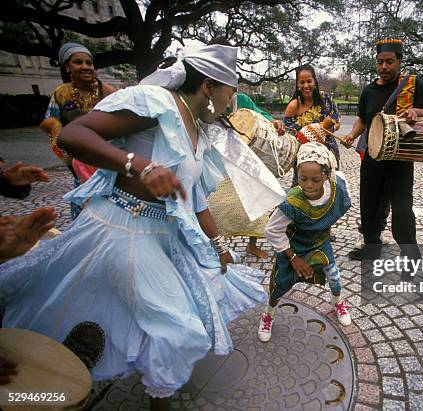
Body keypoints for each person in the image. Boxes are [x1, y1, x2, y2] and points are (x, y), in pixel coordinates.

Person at [0, 44, 284, 411]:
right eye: (232, 89)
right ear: (210, 86)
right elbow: (74, 136)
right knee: (173, 332)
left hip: (164, 237)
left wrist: (219, 246)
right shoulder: (157, 102)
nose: (234, 98)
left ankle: (153, 398)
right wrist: (140, 165)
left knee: (161, 327)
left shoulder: (200, 131)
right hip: (119, 228)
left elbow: (194, 199)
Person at [341, 39, 423, 260]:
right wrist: (351, 135)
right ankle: (371, 247)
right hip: (373, 157)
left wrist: (415, 112)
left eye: (389, 62)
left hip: (401, 158)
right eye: (380, 62)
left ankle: (410, 252)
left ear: (399, 61)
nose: (384, 67)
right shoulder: (369, 90)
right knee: (369, 203)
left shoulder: (412, 85)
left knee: (403, 207)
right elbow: (363, 120)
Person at [258, 142, 352, 342]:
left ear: (326, 175)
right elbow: (272, 230)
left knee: (334, 276)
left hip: (320, 241)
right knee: (280, 284)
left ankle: (338, 301)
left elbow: (341, 200)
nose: (309, 185)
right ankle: (268, 314)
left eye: (315, 179)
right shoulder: (292, 202)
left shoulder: (338, 187)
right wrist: (293, 257)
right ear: (297, 175)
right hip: (293, 245)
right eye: (303, 179)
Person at [41, 42, 116, 218]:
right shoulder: (62, 92)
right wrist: (69, 158)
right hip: (79, 160)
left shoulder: (106, 90)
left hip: (109, 157)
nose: (85, 67)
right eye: (78, 62)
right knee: (85, 210)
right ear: (67, 67)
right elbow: (50, 125)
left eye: (89, 63)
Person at [207, 92, 286, 259]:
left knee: (255, 198)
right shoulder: (205, 100)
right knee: (214, 203)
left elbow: (259, 113)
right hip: (215, 159)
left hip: (242, 157)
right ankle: (216, 244)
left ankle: (252, 245)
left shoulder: (241, 100)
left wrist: (273, 122)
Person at [284, 64, 341, 167]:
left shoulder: (326, 99)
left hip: (329, 154)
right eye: (302, 82)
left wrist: (324, 130)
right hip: (305, 159)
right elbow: (289, 137)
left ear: (315, 82)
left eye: (309, 81)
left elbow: (337, 123)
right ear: (297, 84)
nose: (306, 86)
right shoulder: (293, 106)